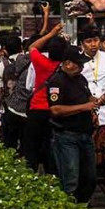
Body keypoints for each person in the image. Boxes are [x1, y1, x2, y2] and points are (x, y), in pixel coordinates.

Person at [49, 44, 104, 204]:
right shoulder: (57, 81)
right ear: (67, 63)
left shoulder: (80, 79)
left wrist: (97, 101)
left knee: (90, 177)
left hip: (85, 134)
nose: (81, 67)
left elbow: (87, 98)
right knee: (70, 178)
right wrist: (83, 108)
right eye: (78, 63)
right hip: (66, 135)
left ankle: (82, 205)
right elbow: (55, 109)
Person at [81, 26, 105, 195]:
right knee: (89, 149)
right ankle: (91, 182)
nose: (93, 45)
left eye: (95, 40)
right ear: (82, 44)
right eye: (89, 41)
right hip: (86, 111)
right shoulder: (75, 61)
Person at [25, 21, 68, 172]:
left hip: (36, 108)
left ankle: (31, 174)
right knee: (52, 146)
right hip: (55, 111)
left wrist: (51, 33)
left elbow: (32, 47)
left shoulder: (40, 61)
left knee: (32, 146)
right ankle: (52, 175)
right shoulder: (66, 68)